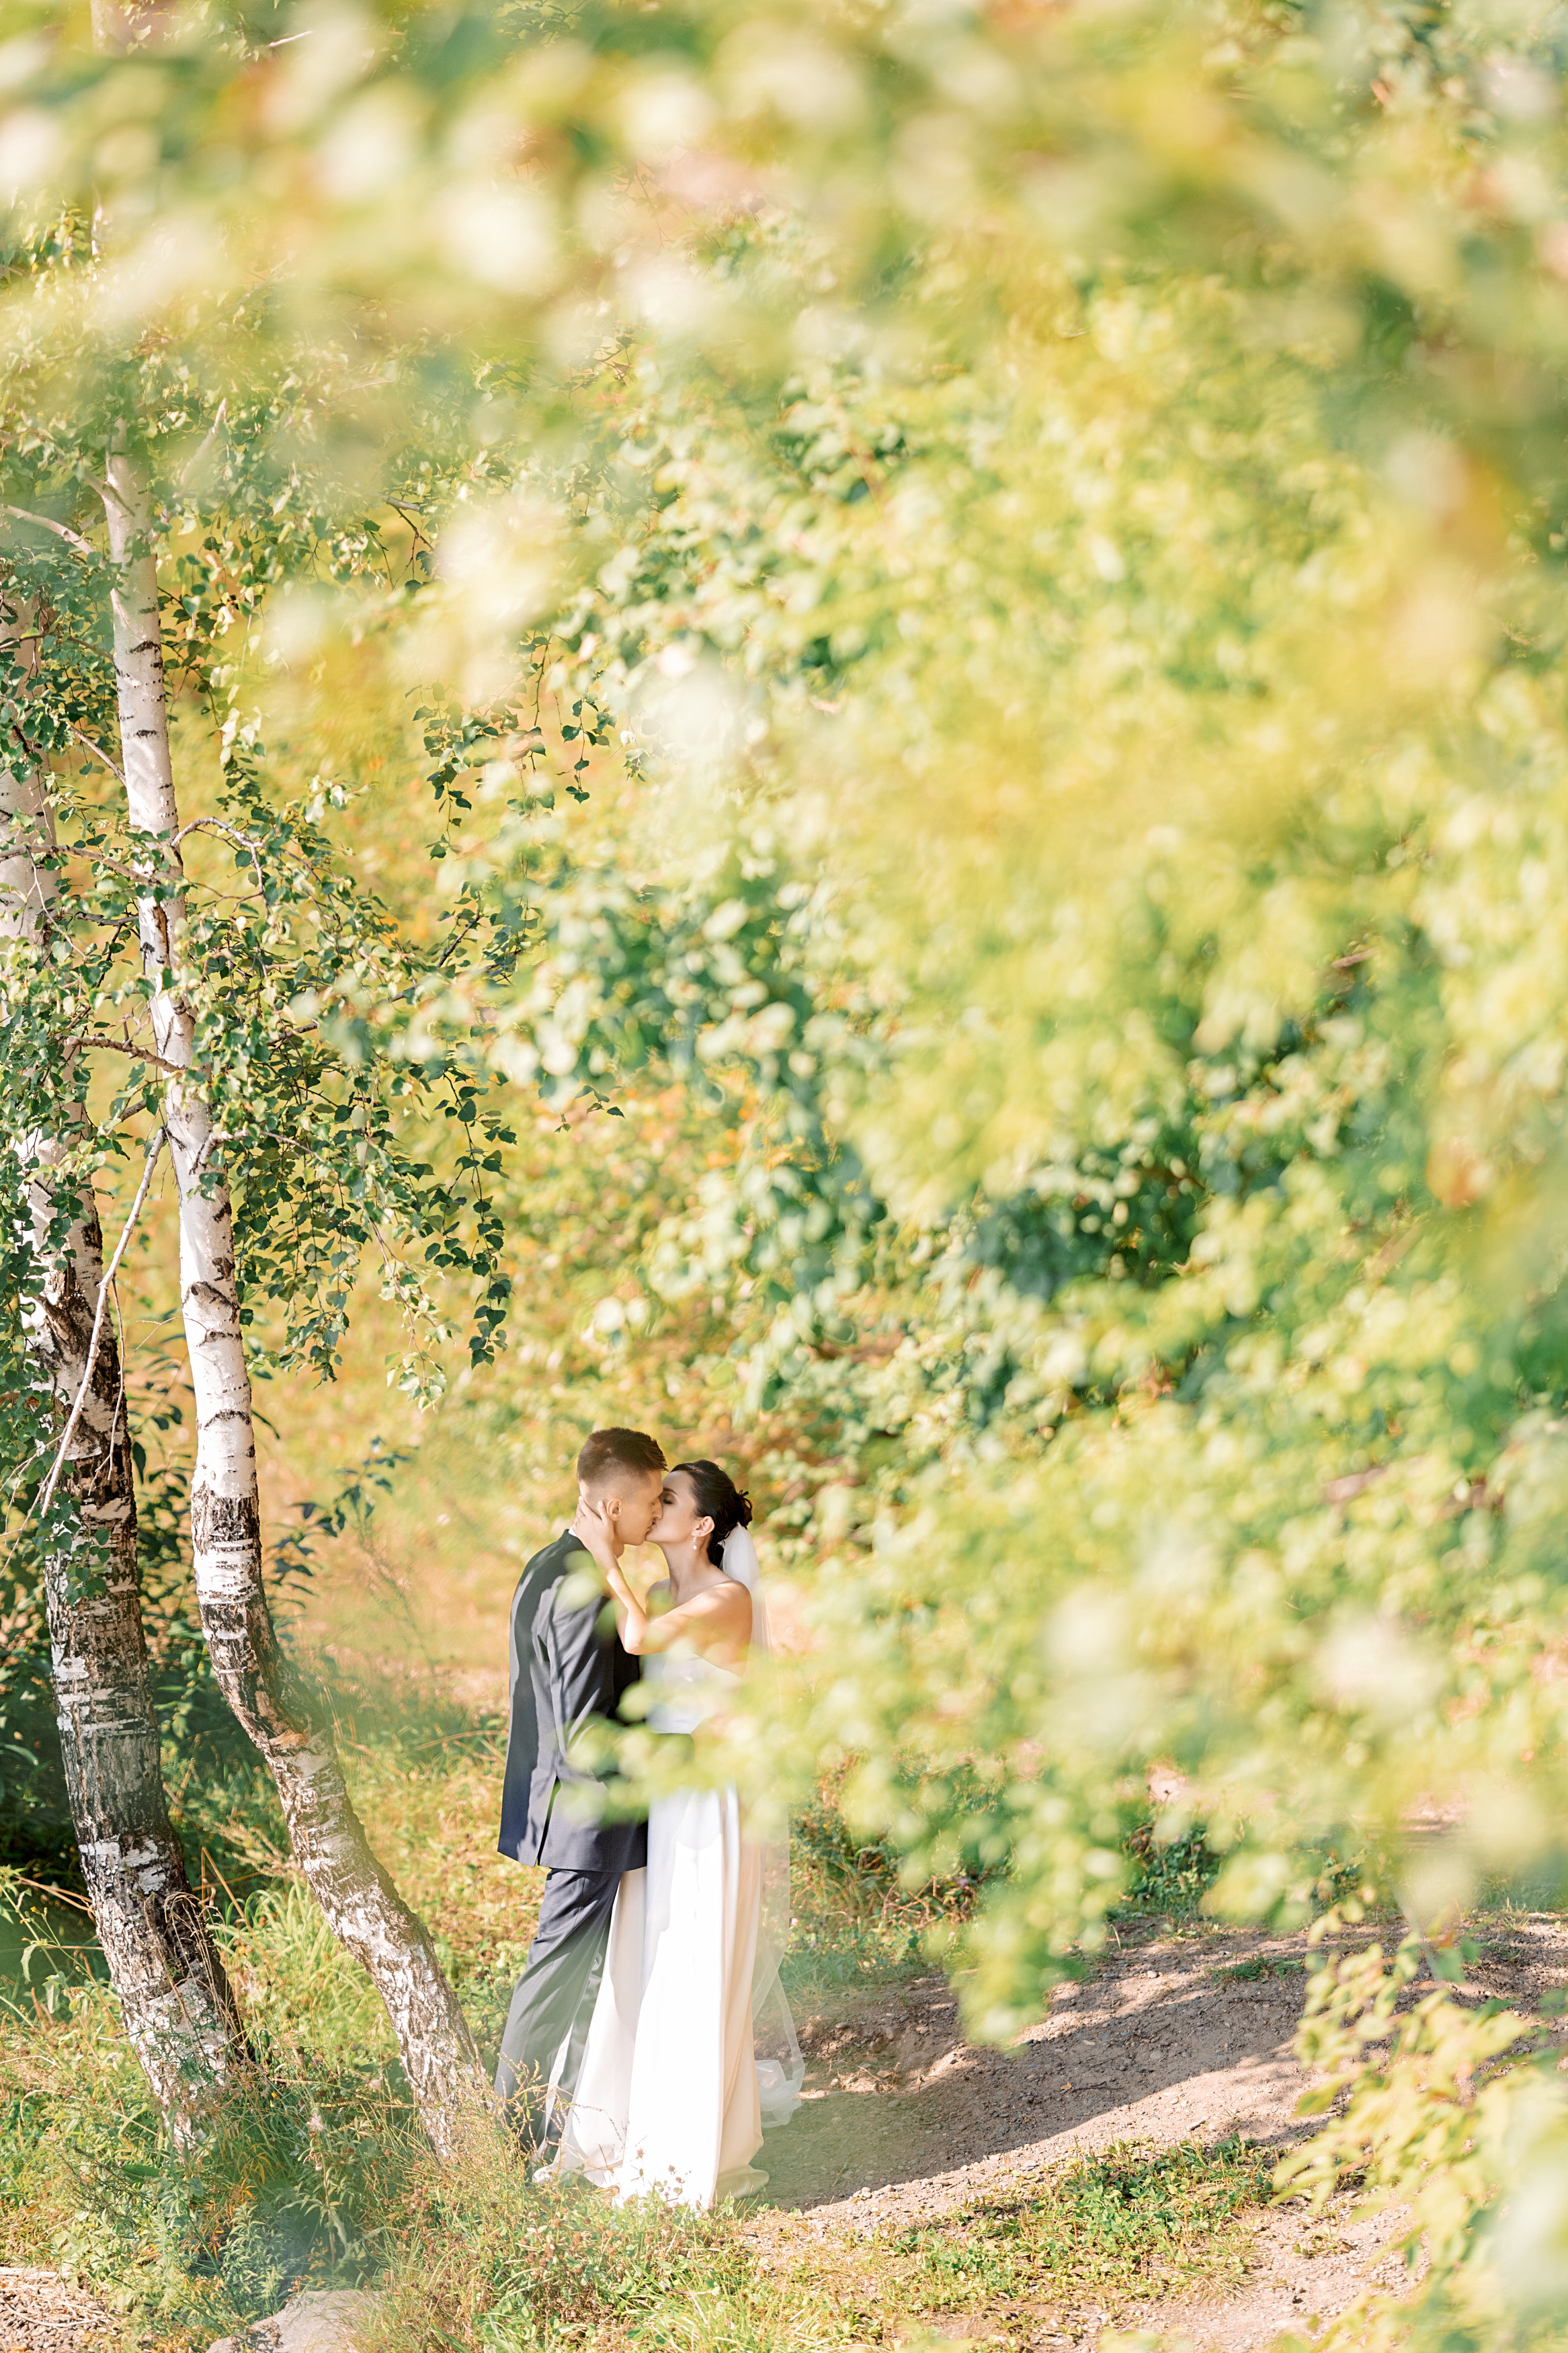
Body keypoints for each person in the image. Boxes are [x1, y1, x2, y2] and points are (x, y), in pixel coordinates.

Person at [556, 1458, 804, 2208]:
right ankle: (626, 2124)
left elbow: (636, 1639)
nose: (651, 1505)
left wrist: (602, 1557)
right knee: (645, 1951)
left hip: (707, 1795)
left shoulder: (724, 1598)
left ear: (701, 1525)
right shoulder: (665, 1588)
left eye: (667, 1499)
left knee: (696, 1953)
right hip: (661, 1791)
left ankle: (688, 2148)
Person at [493, 1426, 667, 2153]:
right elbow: (583, 1723)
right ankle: (510, 2137)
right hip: (588, 1810)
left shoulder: (552, 1562)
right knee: (557, 1971)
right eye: (652, 1501)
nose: (657, 1516)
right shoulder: (576, 1582)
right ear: (615, 1501)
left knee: (581, 1970)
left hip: (579, 1808)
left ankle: (575, 2113)